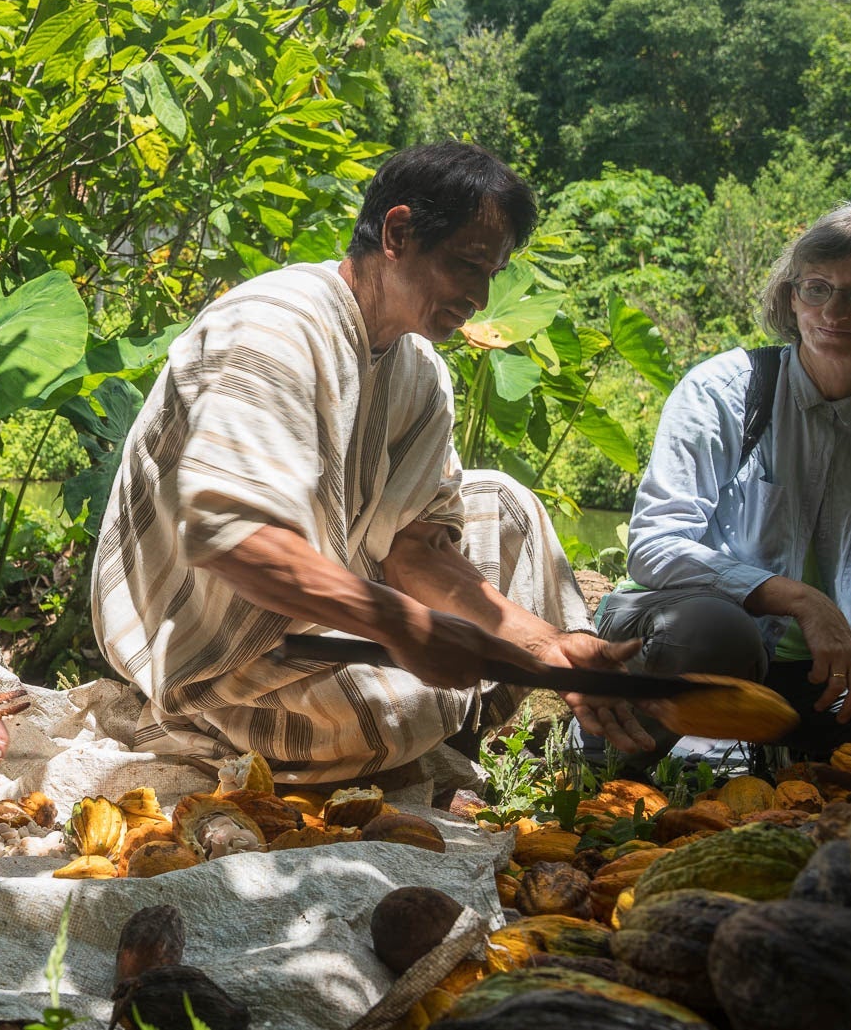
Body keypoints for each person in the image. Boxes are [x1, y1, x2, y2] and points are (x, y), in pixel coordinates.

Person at [92, 142, 654, 784]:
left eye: (490, 274)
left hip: (317, 614)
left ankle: (460, 729)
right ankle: (203, 722)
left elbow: (414, 550)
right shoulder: (273, 328)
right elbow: (232, 542)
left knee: (505, 505)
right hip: (217, 650)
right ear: (398, 231)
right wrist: (405, 624)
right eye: (468, 264)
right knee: (412, 707)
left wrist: (547, 649)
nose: (478, 295)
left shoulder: (420, 373)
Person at [598, 202, 851, 760]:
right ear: (792, 297)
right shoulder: (725, 391)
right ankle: (620, 763)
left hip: (833, 669)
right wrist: (802, 601)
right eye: (816, 288)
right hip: (695, 634)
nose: (834, 311)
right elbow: (655, 546)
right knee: (714, 630)